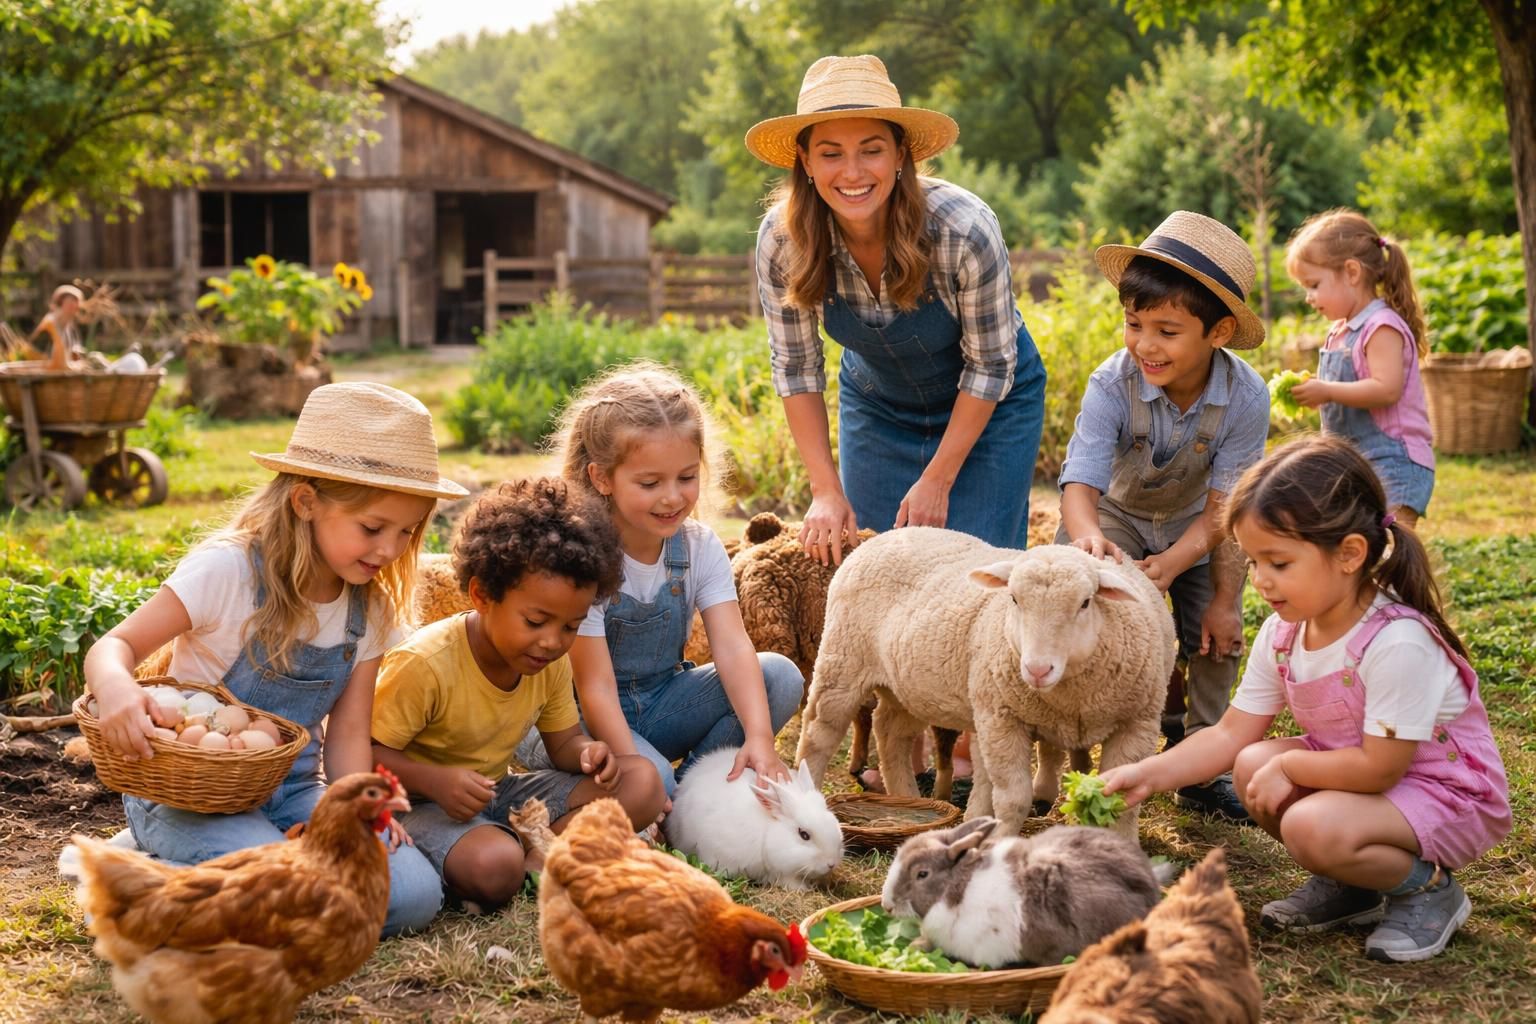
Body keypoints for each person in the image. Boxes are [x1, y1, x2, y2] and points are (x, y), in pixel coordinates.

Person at [1102, 437, 1511, 963]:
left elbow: (1381, 769)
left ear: (1349, 554)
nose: (1262, 581)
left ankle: (1427, 888)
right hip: (1371, 782)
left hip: (1446, 796)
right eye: (1252, 562)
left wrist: (1294, 765)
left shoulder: (1397, 642)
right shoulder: (1284, 633)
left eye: (1279, 562)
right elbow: (1229, 734)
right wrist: (1150, 774)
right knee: (1250, 762)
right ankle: (1354, 882)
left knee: (1305, 819)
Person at [82, 382, 466, 936]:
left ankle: (208, 877)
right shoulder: (229, 571)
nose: (389, 550)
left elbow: (349, 735)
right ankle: (149, 866)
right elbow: (112, 647)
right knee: (290, 889)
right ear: (306, 501)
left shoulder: (371, 609)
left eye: (407, 532)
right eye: (372, 528)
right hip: (188, 796)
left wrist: (357, 813)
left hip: (294, 794)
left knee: (412, 894)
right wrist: (117, 688)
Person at [747, 53, 1047, 565]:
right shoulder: (782, 240)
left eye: (871, 150)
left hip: (991, 405)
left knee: (978, 572)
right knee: (876, 572)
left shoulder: (963, 230)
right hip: (878, 405)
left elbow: (991, 365)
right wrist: (825, 489)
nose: (853, 172)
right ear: (805, 161)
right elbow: (796, 368)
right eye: (831, 153)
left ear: (901, 153)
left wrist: (938, 480)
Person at [1055, 210, 1270, 823]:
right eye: (1134, 324)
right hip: (1115, 514)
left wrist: (1190, 574)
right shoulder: (1111, 382)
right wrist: (1090, 540)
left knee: (1216, 634)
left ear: (1219, 331)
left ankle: (1204, 763)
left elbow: (1226, 509)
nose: (1145, 344)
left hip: (1201, 526)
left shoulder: (1246, 397)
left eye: (1167, 331)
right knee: (1081, 603)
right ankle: (1073, 747)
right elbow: (1080, 484)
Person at [370, 477, 666, 912]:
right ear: (483, 596)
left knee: (642, 782)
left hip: (497, 793)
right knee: (493, 866)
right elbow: (366, 756)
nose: (552, 641)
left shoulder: (547, 663)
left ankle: (542, 856)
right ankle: (511, 855)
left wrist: (588, 752)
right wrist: (436, 780)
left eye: (570, 626)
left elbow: (562, 744)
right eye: (536, 621)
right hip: (421, 804)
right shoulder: (425, 664)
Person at [518, 362, 804, 799]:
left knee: (779, 677)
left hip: (660, 703)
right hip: (578, 725)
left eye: (687, 477)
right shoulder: (581, 555)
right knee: (651, 780)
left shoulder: (698, 546)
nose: (673, 497)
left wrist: (760, 738)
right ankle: (648, 791)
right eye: (650, 483)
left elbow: (731, 646)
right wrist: (637, 772)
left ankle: (689, 792)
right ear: (602, 478)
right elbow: (594, 686)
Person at [1286, 209, 1435, 528]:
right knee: (1358, 547)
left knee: (1392, 549)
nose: (1309, 298)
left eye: (1313, 285)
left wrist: (1327, 390)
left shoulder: (1381, 327)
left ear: (1352, 272)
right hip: (1352, 464)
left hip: (1393, 462)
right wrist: (1317, 388)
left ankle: (1404, 579)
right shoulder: (1341, 330)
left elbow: (1386, 388)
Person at [27, 284, 85, 370]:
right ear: (61, 302)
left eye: (76, 301)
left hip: (57, 370)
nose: (75, 305)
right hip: (39, 371)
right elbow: (57, 360)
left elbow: (73, 353)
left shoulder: (68, 325)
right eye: (71, 301)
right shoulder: (50, 322)